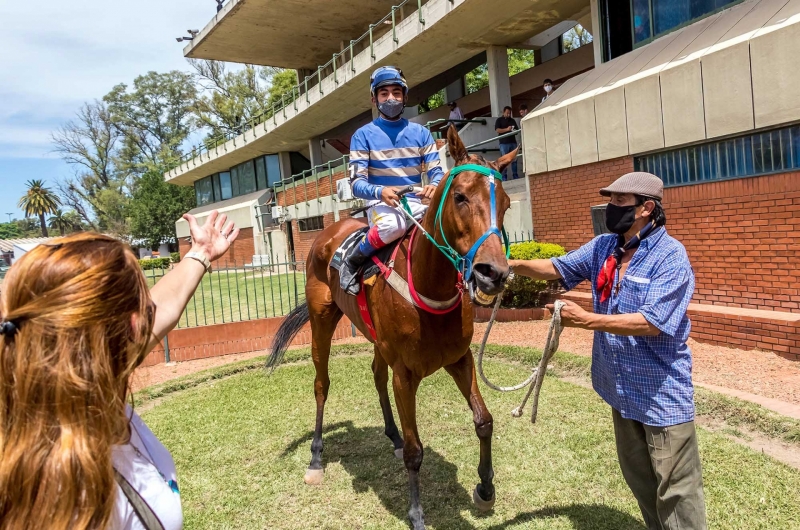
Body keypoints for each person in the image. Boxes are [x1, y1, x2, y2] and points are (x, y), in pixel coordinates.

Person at [0, 211, 239, 529]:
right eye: (143, 302)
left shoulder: (80, 388)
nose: (151, 307)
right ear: (128, 328)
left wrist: (201, 253)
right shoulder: (70, 491)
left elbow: (163, 307)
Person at [509, 172, 707, 530]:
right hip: (620, 389)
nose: (609, 208)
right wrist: (507, 264)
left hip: (660, 394)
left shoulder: (670, 256)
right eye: (610, 200)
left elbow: (652, 322)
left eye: (619, 201)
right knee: (641, 480)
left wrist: (586, 320)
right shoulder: (604, 247)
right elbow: (557, 267)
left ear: (646, 208)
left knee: (677, 490)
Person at [341, 66, 445, 295]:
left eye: (397, 93)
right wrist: (380, 192)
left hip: (416, 202)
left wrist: (434, 185)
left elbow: (437, 170)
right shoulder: (362, 135)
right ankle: (352, 261)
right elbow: (356, 184)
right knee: (393, 226)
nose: (391, 98)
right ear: (374, 98)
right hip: (382, 206)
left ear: (405, 97)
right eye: (384, 93)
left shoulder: (422, 133)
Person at [494, 106, 519, 181]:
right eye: (507, 113)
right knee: (504, 160)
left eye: (510, 113)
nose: (508, 115)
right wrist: (507, 129)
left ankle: (515, 175)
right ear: (503, 112)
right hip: (504, 143)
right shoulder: (499, 120)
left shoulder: (512, 120)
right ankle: (504, 176)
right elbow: (497, 130)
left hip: (513, 142)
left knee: (514, 159)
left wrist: (513, 130)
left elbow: (517, 131)